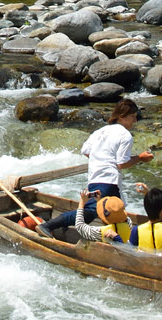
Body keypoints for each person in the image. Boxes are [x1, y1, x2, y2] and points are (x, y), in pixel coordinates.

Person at [43, 99, 152, 241]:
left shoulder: (100, 131)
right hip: (109, 180)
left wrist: (100, 159)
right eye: (132, 117)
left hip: (95, 177)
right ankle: (50, 225)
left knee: (105, 212)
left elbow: (85, 150)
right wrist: (140, 157)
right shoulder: (125, 136)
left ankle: (114, 240)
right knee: (103, 211)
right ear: (122, 116)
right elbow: (122, 163)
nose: (134, 121)